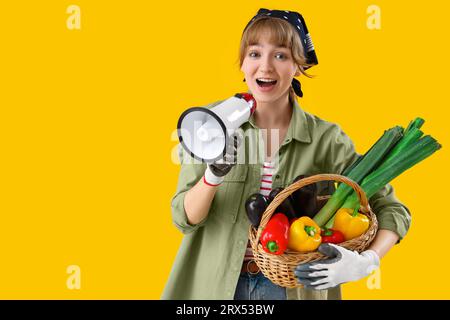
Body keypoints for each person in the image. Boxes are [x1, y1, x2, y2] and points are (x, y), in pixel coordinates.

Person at [162, 8, 411, 300]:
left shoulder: (326, 139)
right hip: (215, 288)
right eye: (254, 53)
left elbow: (393, 210)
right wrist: (211, 177)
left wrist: (366, 263)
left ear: (298, 65)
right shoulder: (211, 125)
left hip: (295, 289)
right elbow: (183, 218)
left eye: (280, 55)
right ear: (242, 63)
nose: (265, 67)